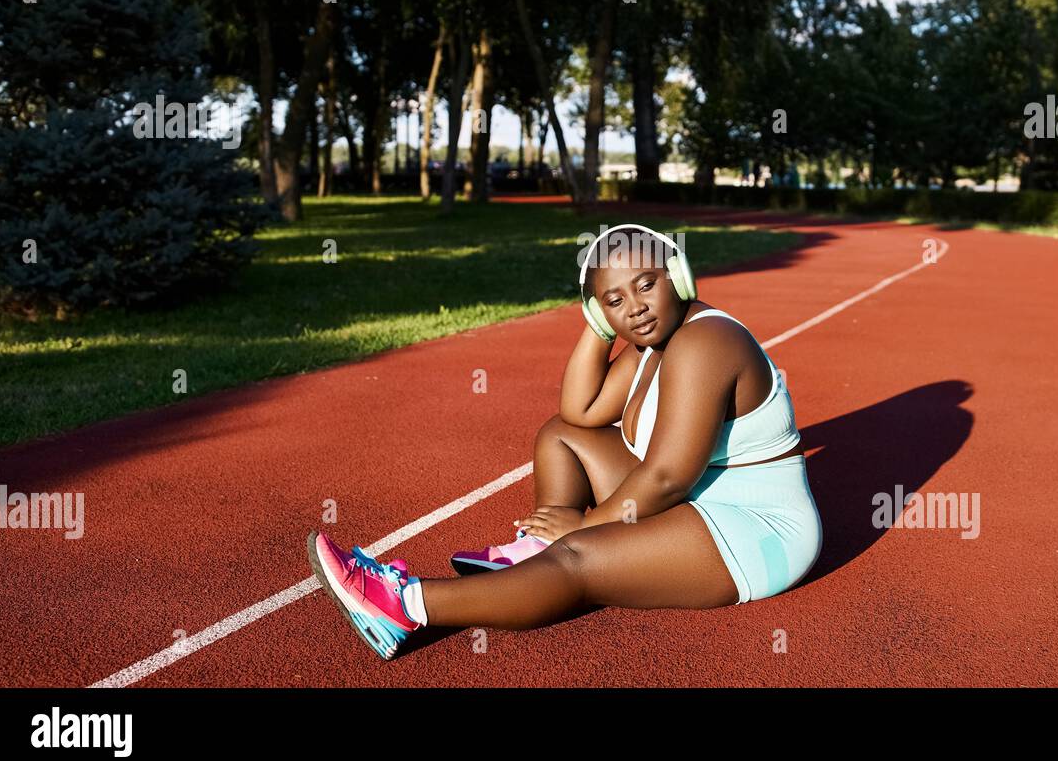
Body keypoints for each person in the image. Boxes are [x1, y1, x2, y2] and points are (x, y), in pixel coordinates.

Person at [307, 223, 822, 661]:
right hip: (698, 497)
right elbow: (581, 411)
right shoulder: (651, 341)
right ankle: (535, 549)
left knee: (576, 555)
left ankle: (406, 606)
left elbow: (667, 477)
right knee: (563, 435)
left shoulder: (707, 340)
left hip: (757, 531)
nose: (636, 309)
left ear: (678, 277)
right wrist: (599, 328)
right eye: (615, 301)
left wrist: (581, 525)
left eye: (647, 284)